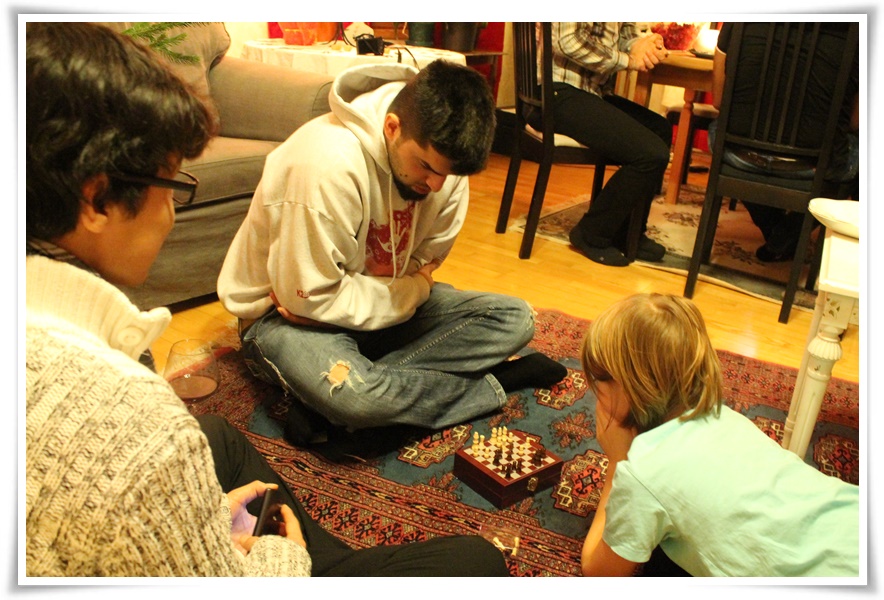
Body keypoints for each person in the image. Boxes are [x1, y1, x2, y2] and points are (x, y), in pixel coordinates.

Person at [25, 22, 509, 577]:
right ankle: (423, 403)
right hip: (294, 329)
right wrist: (282, 554)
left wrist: (212, 519)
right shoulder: (145, 424)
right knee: (476, 560)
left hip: (364, 310)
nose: (172, 212)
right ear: (96, 200)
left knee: (219, 436)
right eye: (173, 183)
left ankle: (349, 434)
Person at [217, 59, 567, 448]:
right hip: (280, 319)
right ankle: (497, 381)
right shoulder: (323, 164)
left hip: (367, 304)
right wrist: (411, 289)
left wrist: (395, 293)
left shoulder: (443, 171)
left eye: (448, 175)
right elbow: (307, 300)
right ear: (392, 127)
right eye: (426, 166)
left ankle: (331, 400)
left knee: (514, 319)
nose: (436, 185)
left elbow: (423, 265)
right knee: (357, 397)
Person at [578, 293, 859, 577]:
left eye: (598, 383)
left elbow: (599, 572)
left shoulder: (642, 475)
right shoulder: (727, 418)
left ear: (627, 387)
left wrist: (617, 463)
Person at [709, 22, 860, 263]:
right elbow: (855, 121)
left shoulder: (741, 17)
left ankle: (776, 231)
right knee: (861, 154)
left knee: (721, 131)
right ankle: (789, 233)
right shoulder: (856, 32)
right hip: (812, 165)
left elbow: (718, 100)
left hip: (738, 154)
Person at [544, 23, 673, 267]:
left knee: (660, 129)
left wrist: (643, 45)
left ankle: (627, 232)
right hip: (556, 92)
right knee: (652, 154)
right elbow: (566, 41)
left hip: (591, 94)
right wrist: (628, 60)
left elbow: (624, 35)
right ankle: (591, 233)